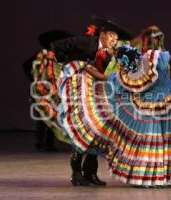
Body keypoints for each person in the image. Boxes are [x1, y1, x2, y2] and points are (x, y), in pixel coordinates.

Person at [58, 44, 171, 187]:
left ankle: (151, 176)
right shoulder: (152, 59)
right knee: (162, 141)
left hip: (149, 110)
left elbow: (103, 77)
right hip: (164, 105)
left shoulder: (127, 75)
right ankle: (158, 175)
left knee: (151, 142)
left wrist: (83, 67)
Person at [50, 17, 136, 186]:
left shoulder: (106, 54)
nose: (113, 40)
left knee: (97, 127)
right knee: (82, 128)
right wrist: (69, 63)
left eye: (116, 38)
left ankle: (91, 172)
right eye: (111, 36)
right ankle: (76, 173)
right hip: (76, 87)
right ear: (102, 35)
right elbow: (57, 46)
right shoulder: (86, 43)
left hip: (91, 89)